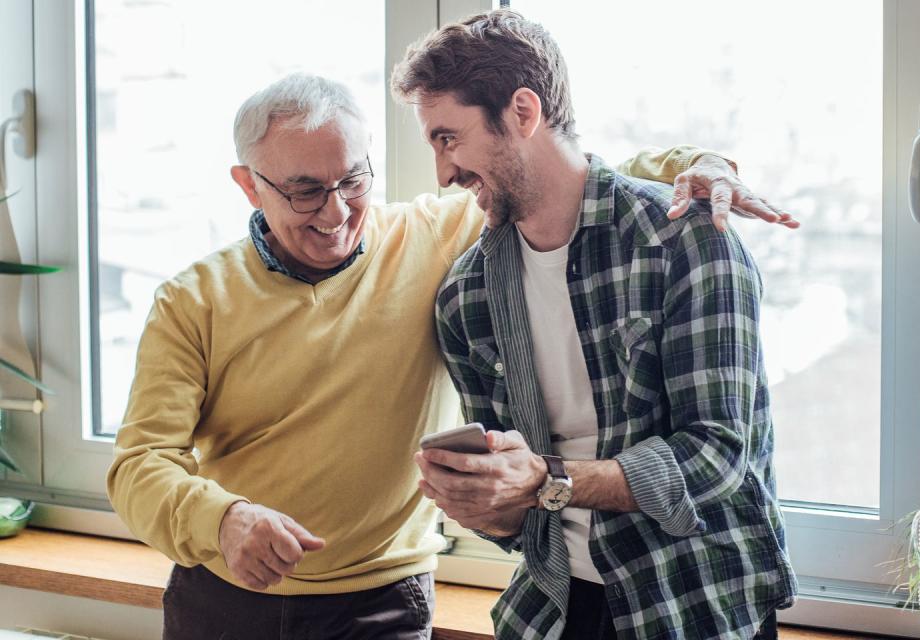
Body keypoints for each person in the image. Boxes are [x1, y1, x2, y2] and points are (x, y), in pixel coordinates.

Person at [106, 72, 791, 639]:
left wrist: (696, 164)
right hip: (226, 602)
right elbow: (139, 466)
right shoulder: (192, 300)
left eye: (353, 180)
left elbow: (567, 171)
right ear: (248, 185)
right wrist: (220, 519)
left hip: (384, 605)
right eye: (305, 190)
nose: (337, 211)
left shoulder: (432, 235)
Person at [395, 10, 797, 640]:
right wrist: (484, 497)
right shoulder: (466, 298)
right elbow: (514, 520)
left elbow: (716, 456)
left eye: (449, 139)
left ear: (524, 113)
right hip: (554, 610)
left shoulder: (683, 243)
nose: (442, 172)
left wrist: (546, 480)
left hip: (691, 607)